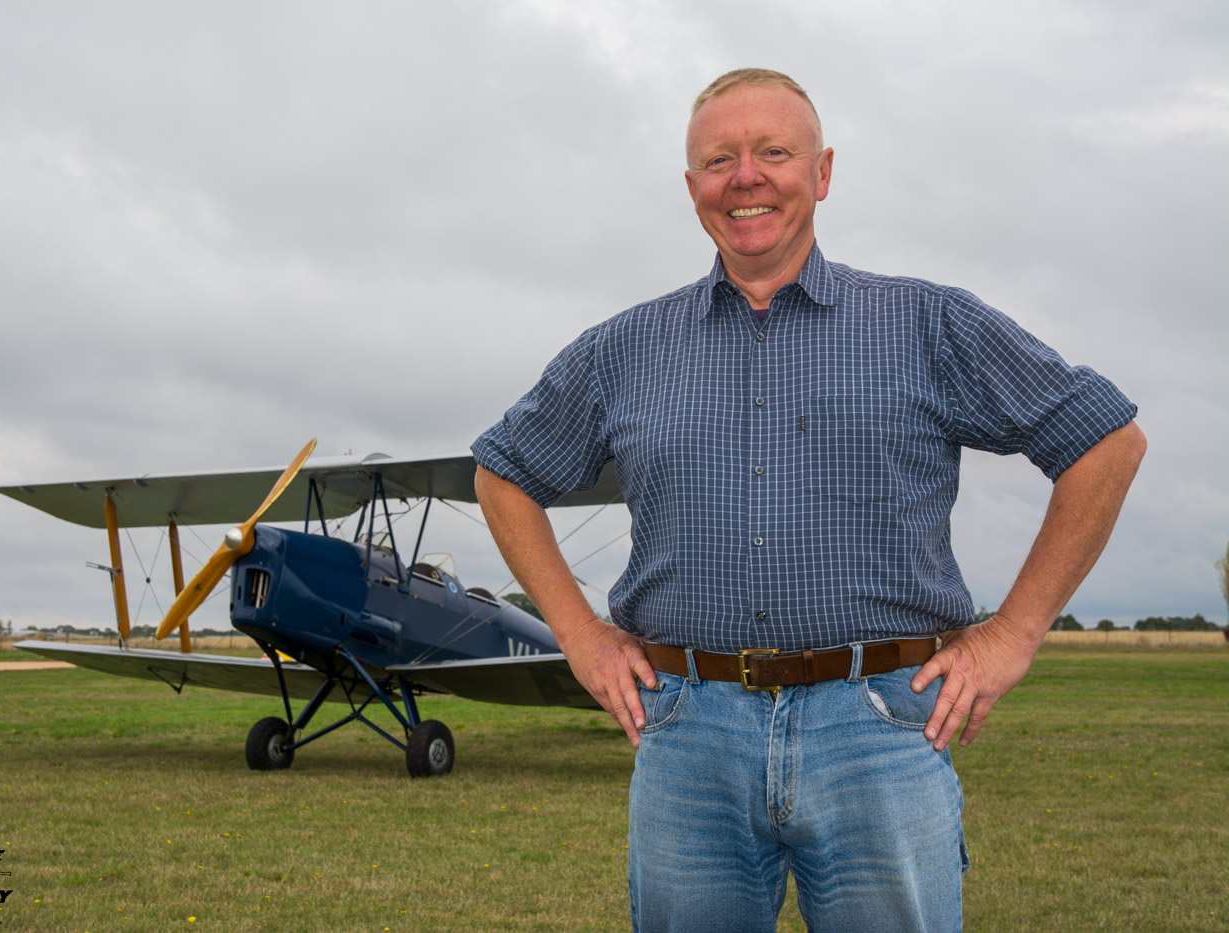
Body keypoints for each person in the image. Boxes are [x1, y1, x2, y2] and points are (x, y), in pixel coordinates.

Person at [471, 68, 1145, 932]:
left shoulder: (926, 325)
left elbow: (1105, 440)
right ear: (691, 189)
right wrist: (579, 634)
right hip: (688, 733)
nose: (745, 177)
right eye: (719, 160)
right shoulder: (624, 349)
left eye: (772, 153)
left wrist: (1011, 634)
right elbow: (503, 470)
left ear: (822, 172)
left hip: (879, 727)